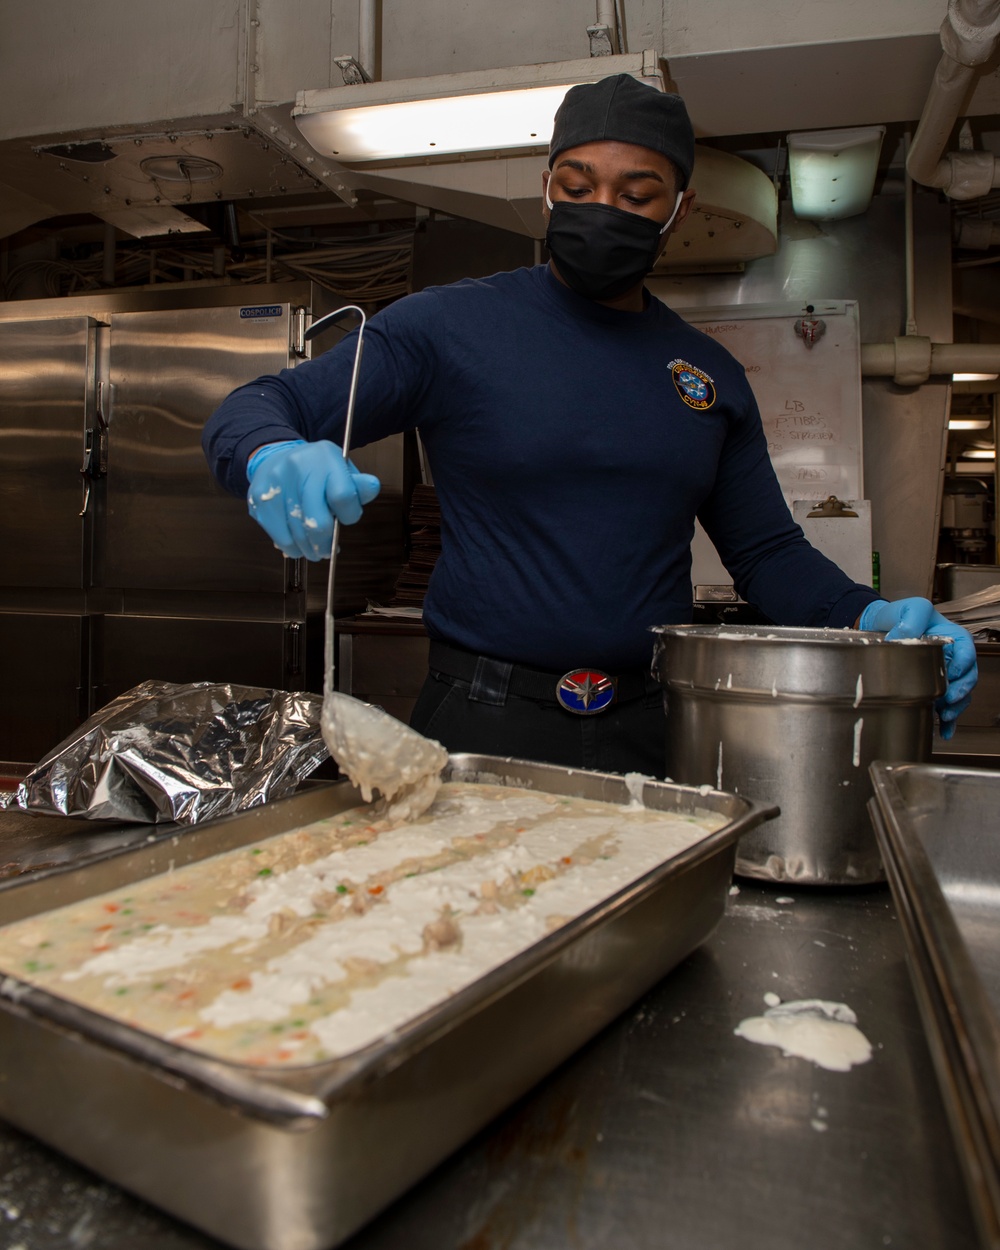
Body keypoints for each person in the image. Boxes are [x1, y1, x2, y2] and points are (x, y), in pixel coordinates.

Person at [202, 73, 977, 774]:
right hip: (483, 717)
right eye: (578, 186)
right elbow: (260, 404)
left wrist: (872, 617)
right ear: (547, 189)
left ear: (680, 209)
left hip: (652, 723)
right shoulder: (450, 328)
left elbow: (768, 554)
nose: (603, 211)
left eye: (637, 196)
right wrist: (273, 454)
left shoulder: (707, 378)